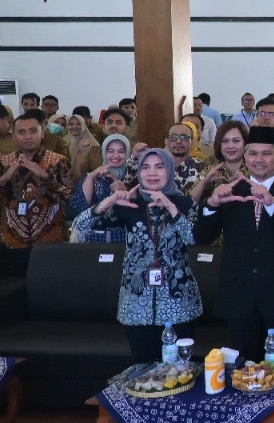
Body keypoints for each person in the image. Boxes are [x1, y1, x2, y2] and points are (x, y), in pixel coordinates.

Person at [193, 126, 274, 362]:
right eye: (253, 153)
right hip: (239, 296)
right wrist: (212, 205)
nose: (259, 159)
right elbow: (202, 237)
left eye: (266, 153)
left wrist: (272, 204)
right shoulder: (230, 192)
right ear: (245, 157)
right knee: (244, 369)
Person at [75, 148, 201, 362]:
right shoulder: (129, 204)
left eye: (159, 167)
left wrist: (171, 208)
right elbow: (80, 227)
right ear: (139, 172)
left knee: (179, 372)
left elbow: (194, 240)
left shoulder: (184, 204)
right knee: (143, 371)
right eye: (145, 167)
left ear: (170, 171)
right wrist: (109, 202)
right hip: (136, 304)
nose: (152, 173)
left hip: (178, 303)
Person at [0, 112, 72, 274]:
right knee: (12, 286)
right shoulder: (3, 164)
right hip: (11, 242)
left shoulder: (59, 161)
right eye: (22, 132)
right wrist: (4, 178)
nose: (28, 136)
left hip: (51, 241)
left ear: (42, 133)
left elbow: (70, 198)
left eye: (33, 131)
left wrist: (45, 176)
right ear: (13, 136)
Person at [69, 134, 131, 243]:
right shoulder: (95, 177)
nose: (115, 156)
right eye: (111, 151)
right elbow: (81, 207)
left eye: (121, 151)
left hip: (124, 239)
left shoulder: (133, 177)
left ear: (128, 153)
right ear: (104, 153)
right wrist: (91, 176)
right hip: (95, 238)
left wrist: (122, 187)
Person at [192, 121, 248, 204]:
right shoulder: (209, 170)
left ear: (245, 143)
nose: (230, 146)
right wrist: (204, 182)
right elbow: (189, 204)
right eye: (225, 141)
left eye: (236, 141)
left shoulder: (254, 169)